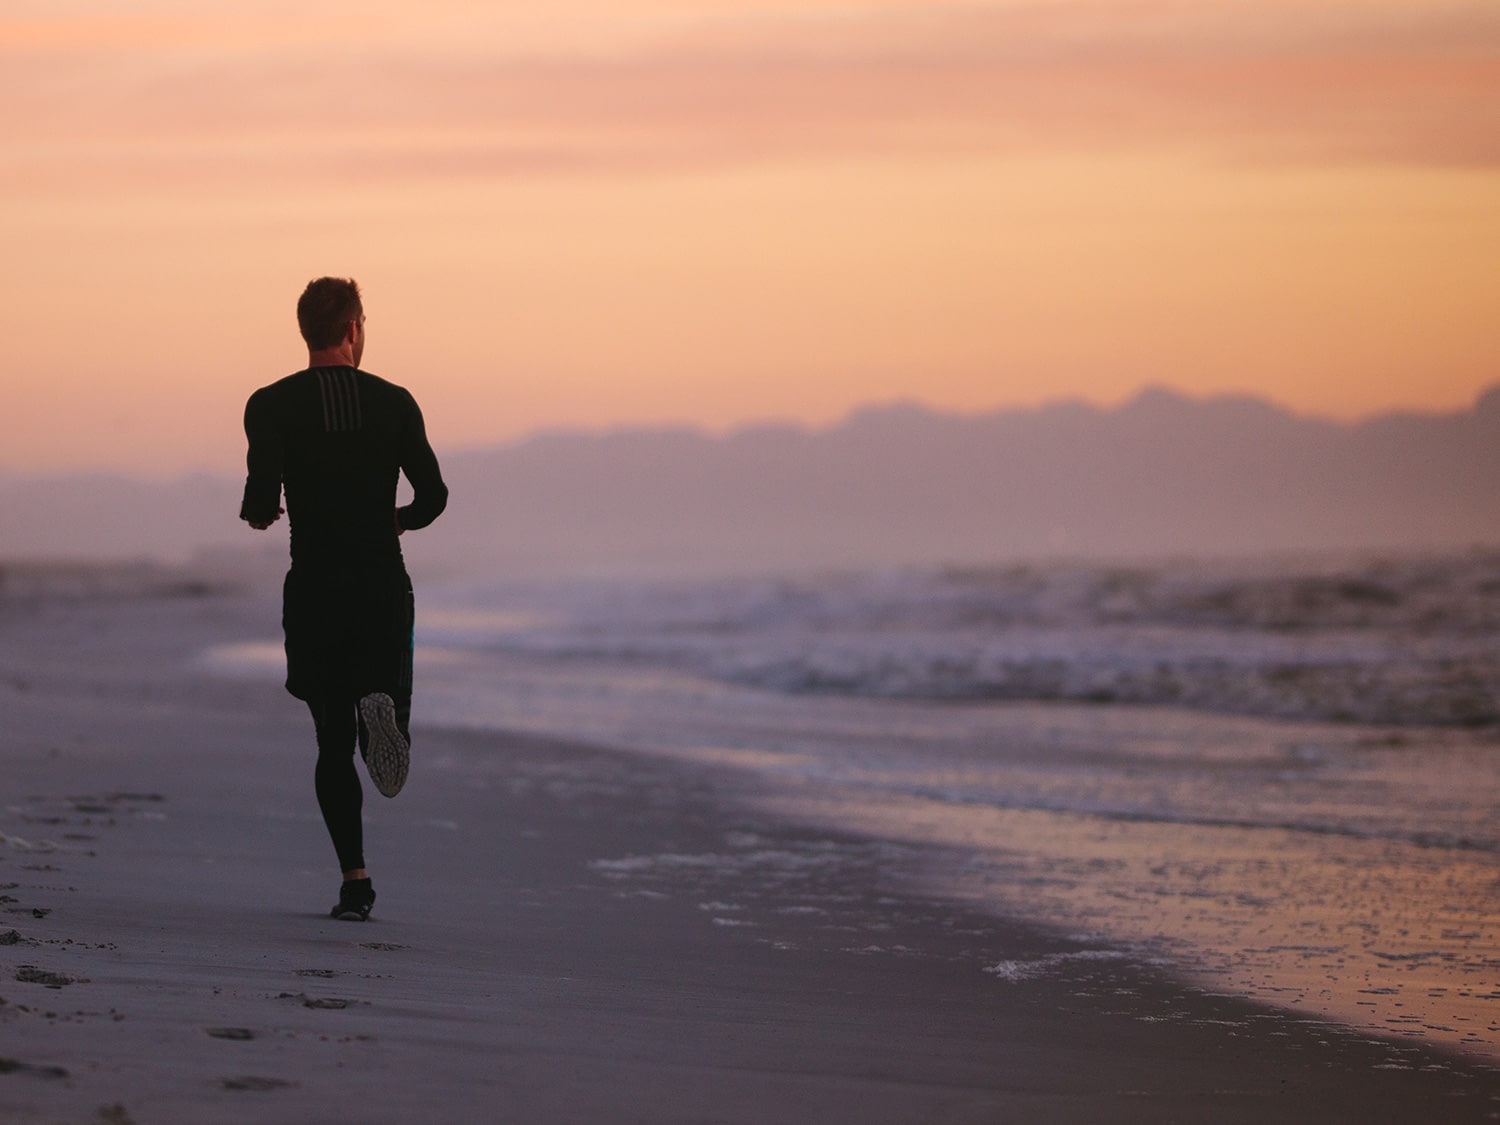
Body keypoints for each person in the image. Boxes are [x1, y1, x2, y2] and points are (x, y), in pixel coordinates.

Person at [240, 277, 448, 921]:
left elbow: (257, 502)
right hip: (381, 583)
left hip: (315, 588)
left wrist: (265, 511)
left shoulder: (270, 404)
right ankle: (387, 714)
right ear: (355, 329)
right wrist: (398, 520)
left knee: (330, 742)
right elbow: (433, 496)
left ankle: (355, 883)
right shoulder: (394, 401)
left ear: (306, 331)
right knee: (385, 689)